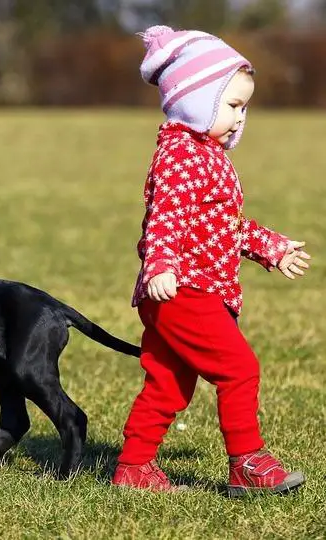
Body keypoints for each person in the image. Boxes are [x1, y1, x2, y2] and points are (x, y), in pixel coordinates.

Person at [112, 25, 311, 496]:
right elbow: (166, 215)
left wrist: (271, 247)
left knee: (168, 384)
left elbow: (226, 223)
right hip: (183, 289)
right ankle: (247, 461)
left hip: (192, 289)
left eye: (245, 108)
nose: (241, 118)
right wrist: (161, 264)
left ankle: (133, 468)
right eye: (233, 105)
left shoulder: (208, 155)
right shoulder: (182, 155)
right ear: (196, 100)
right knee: (239, 369)